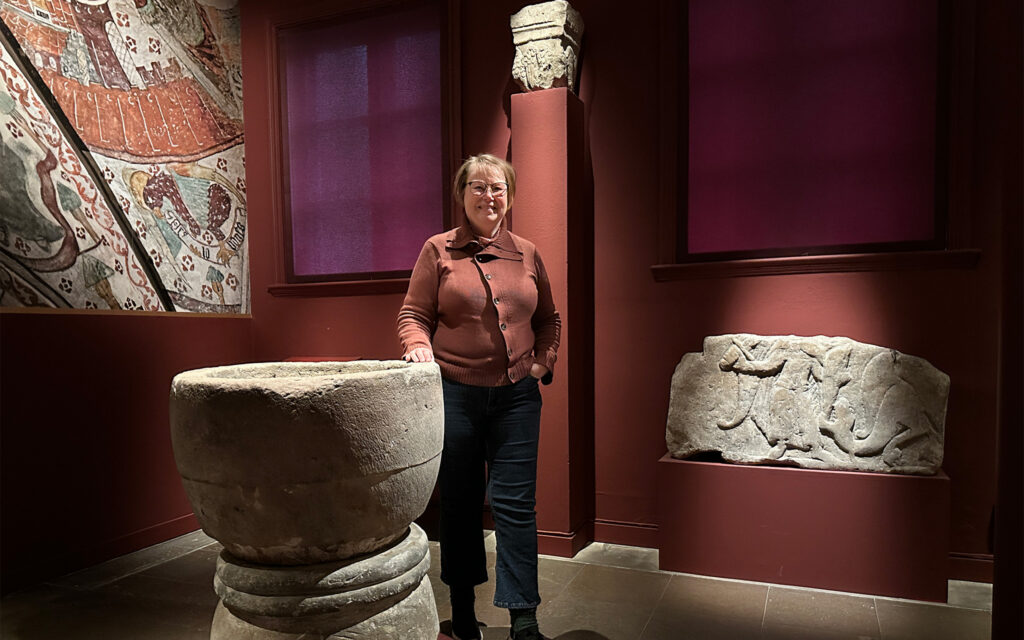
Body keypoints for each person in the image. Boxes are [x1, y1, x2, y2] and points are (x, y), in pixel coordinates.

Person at [397, 154, 560, 640]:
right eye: (478, 187)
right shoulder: (438, 249)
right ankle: (464, 615)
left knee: (515, 504)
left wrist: (542, 361)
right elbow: (413, 314)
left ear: (509, 196)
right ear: (461, 193)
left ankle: (524, 620)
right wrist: (417, 344)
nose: (489, 196)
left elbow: (548, 319)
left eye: (498, 188)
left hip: (517, 397)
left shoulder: (527, 253)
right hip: (456, 396)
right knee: (461, 504)